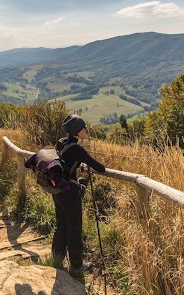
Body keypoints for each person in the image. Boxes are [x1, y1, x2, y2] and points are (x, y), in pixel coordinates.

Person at [52, 114, 106, 276]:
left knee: (61, 225)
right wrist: (84, 163)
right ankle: (77, 265)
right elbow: (100, 167)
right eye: (84, 128)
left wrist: (79, 164)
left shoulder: (62, 142)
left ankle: (57, 258)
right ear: (77, 131)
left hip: (58, 191)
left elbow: (67, 162)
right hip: (70, 195)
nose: (86, 130)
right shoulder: (77, 149)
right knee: (75, 229)